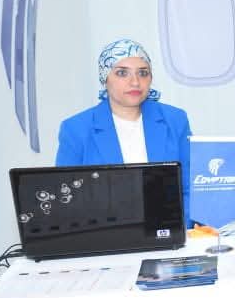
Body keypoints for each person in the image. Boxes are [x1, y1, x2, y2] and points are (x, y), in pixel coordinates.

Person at [56, 38, 193, 219]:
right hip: (106, 231)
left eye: (143, 73)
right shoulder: (76, 129)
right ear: (105, 78)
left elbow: (191, 187)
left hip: (168, 228)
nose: (135, 82)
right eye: (122, 73)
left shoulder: (175, 119)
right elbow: (68, 199)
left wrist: (179, 227)